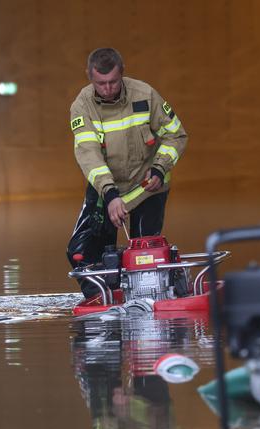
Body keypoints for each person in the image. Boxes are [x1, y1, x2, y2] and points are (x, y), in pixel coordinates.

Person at [66, 48, 188, 298]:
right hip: (106, 188)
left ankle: (152, 294)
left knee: (145, 252)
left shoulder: (144, 95)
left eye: (113, 82)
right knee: (80, 249)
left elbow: (176, 135)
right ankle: (104, 295)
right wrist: (110, 195)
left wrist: (160, 167)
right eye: (101, 83)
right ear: (90, 78)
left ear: (122, 74)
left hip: (147, 185)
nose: (108, 89)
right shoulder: (82, 106)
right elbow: (88, 154)